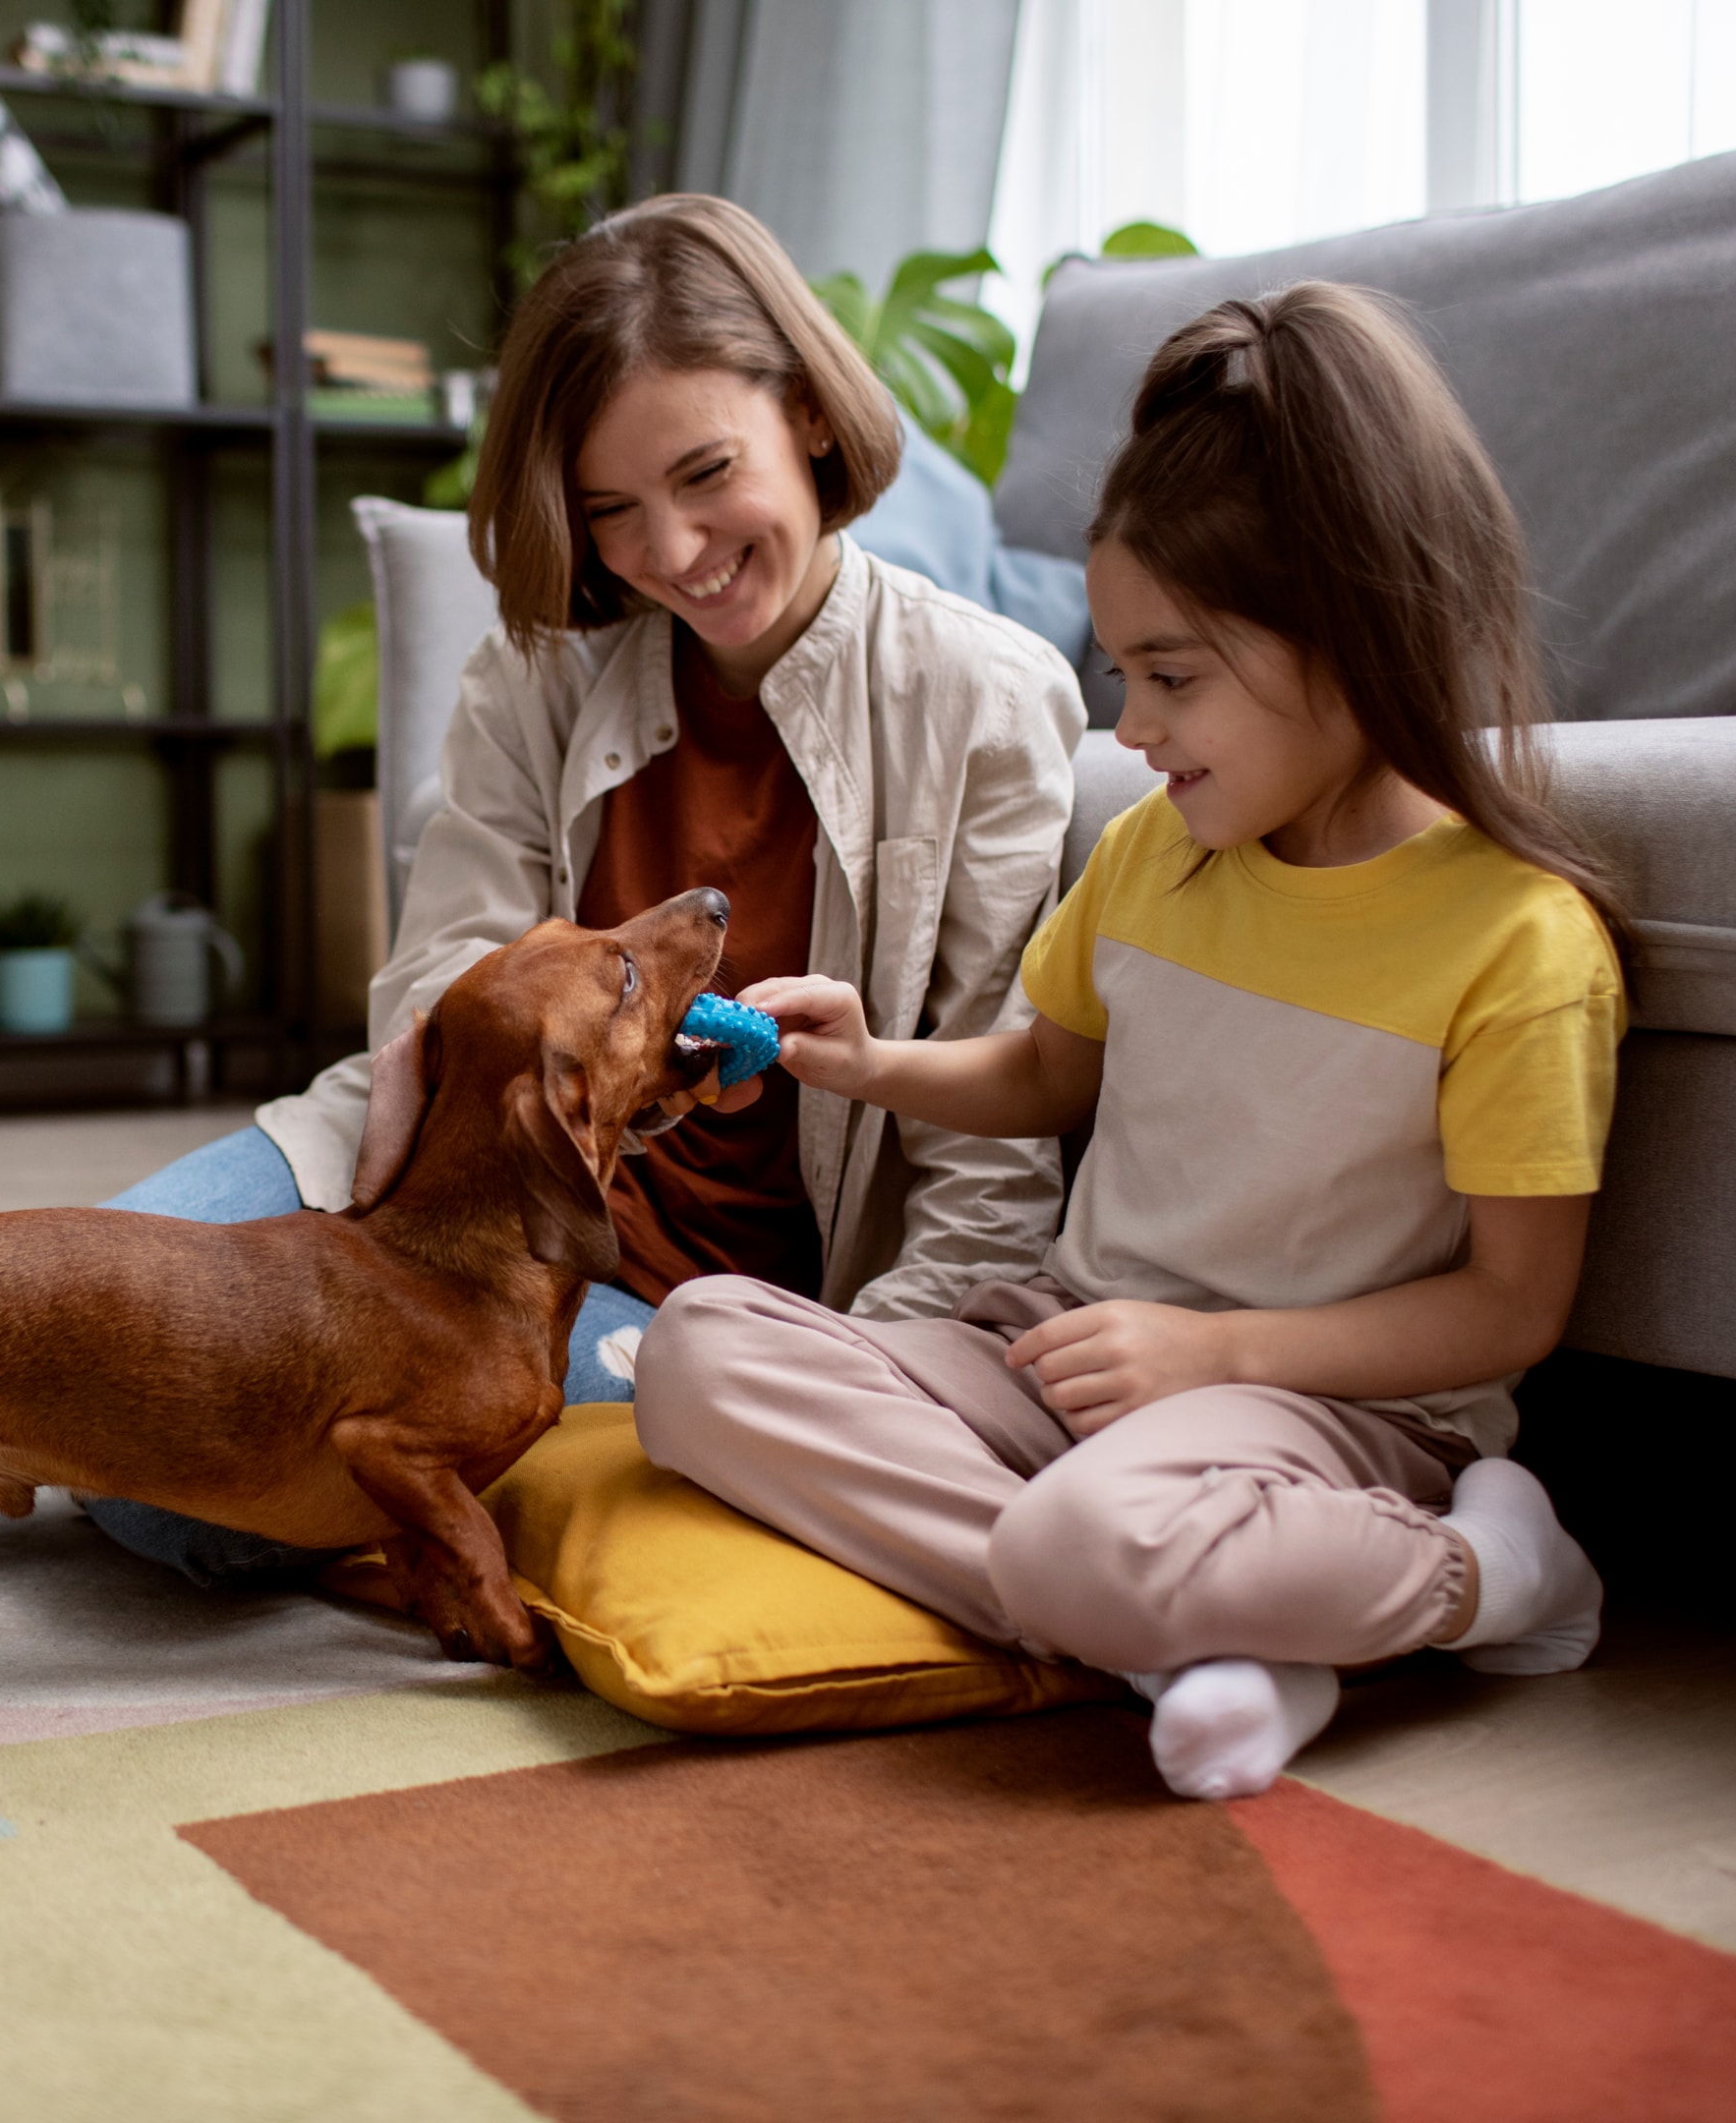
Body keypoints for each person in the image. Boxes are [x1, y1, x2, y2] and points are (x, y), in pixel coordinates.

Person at [635, 282, 1624, 1802]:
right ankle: (1180, 1636)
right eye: (1123, 675)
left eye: (1171, 676)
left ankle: (1487, 1574)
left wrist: (1213, 1352)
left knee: (1079, 1537)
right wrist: (868, 1062)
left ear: (1353, 636)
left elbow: (1510, 1309)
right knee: (699, 1351)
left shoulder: (1515, 943)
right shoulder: (1163, 853)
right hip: (1075, 1349)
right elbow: (1045, 1073)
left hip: (1320, 1414)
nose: (1133, 728)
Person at [86, 193, 1086, 1587]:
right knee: (97, 1343)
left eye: (704, 475)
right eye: (611, 509)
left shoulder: (981, 698)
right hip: (458, 1213)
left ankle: (442, 1481)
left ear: (805, 412)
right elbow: (444, 974)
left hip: (726, 1313)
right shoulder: (541, 671)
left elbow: (989, 1153)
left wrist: (852, 1381)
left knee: (178, 1502)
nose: (669, 554)